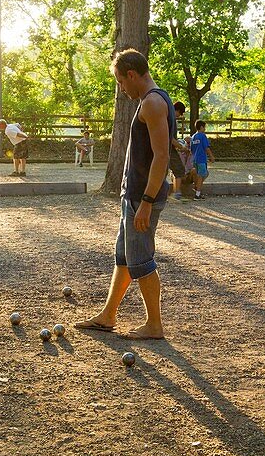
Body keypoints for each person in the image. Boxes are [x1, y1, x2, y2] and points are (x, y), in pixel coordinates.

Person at [74, 48, 172, 341]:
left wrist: (146, 202)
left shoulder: (152, 103)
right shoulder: (152, 101)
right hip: (135, 195)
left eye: (120, 81)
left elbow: (161, 156)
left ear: (131, 74)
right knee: (125, 257)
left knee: (141, 259)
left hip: (142, 197)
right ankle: (108, 315)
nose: (121, 88)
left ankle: (154, 325)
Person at [170, 101, 191, 200]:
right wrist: (181, 147)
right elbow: (170, 138)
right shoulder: (172, 119)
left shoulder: (168, 118)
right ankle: (176, 194)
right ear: (177, 110)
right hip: (169, 149)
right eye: (180, 113)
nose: (180, 115)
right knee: (179, 170)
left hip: (168, 148)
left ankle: (175, 192)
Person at [190, 120, 213, 200]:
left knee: (203, 174)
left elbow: (191, 149)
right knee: (201, 176)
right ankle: (197, 194)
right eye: (204, 127)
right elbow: (206, 147)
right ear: (201, 127)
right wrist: (211, 157)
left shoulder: (193, 137)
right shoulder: (203, 136)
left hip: (195, 159)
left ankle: (197, 187)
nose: (205, 129)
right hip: (201, 159)